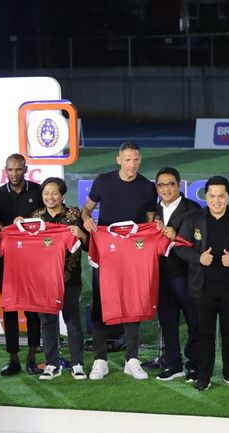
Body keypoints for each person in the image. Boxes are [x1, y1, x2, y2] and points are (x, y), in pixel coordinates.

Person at [174, 176, 229, 391]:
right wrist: (198, 258)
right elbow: (180, 247)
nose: (217, 201)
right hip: (202, 288)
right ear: (206, 196)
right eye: (212, 196)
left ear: (228, 196)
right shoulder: (194, 219)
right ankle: (204, 376)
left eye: (221, 196)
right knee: (203, 334)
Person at [81, 142, 157, 380]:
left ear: (140, 160)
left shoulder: (147, 187)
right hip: (106, 252)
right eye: (127, 160)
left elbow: (149, 223)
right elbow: (86, 210)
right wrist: (87, 221)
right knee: (101, 303)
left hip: (133, 255)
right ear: (118, 160)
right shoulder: (103, 181)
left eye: (135, 160)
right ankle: (100, 359)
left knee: (132, 303)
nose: (131, 164)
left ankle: (132, 359)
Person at [0, 153, 43, 376]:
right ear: (5, 170)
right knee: (9, 308)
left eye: (18, 169)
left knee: (32, 310)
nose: (14, 174)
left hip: (33, 262)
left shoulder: (39, 191)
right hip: (8, 261)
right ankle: (13, 359)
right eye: (10, 170)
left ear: (25, 169)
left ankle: (32, 357)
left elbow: (45, 223)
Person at [31, 178, 89, 381]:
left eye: (54, 193)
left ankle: (77, 364)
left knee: (72, 321)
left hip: (69, 278)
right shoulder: (36, 218)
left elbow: (89, 245)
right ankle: (52, 364)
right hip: (43, 280)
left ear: (63, 195)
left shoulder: (74, 215)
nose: (50, 197)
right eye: (46, 193)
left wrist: (81, 233)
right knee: (47, 322)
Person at [153, 167, 201, 382]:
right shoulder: (152, 211)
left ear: (179, 185)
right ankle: (173, 364)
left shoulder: (193, 209)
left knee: (194, 322)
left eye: (170, 184)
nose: (166, 189)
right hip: (161, 276)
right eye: (162, 185)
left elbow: (200, 242)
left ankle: (195, 365)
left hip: (186, 275)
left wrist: (177, 235)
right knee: (168, 322)